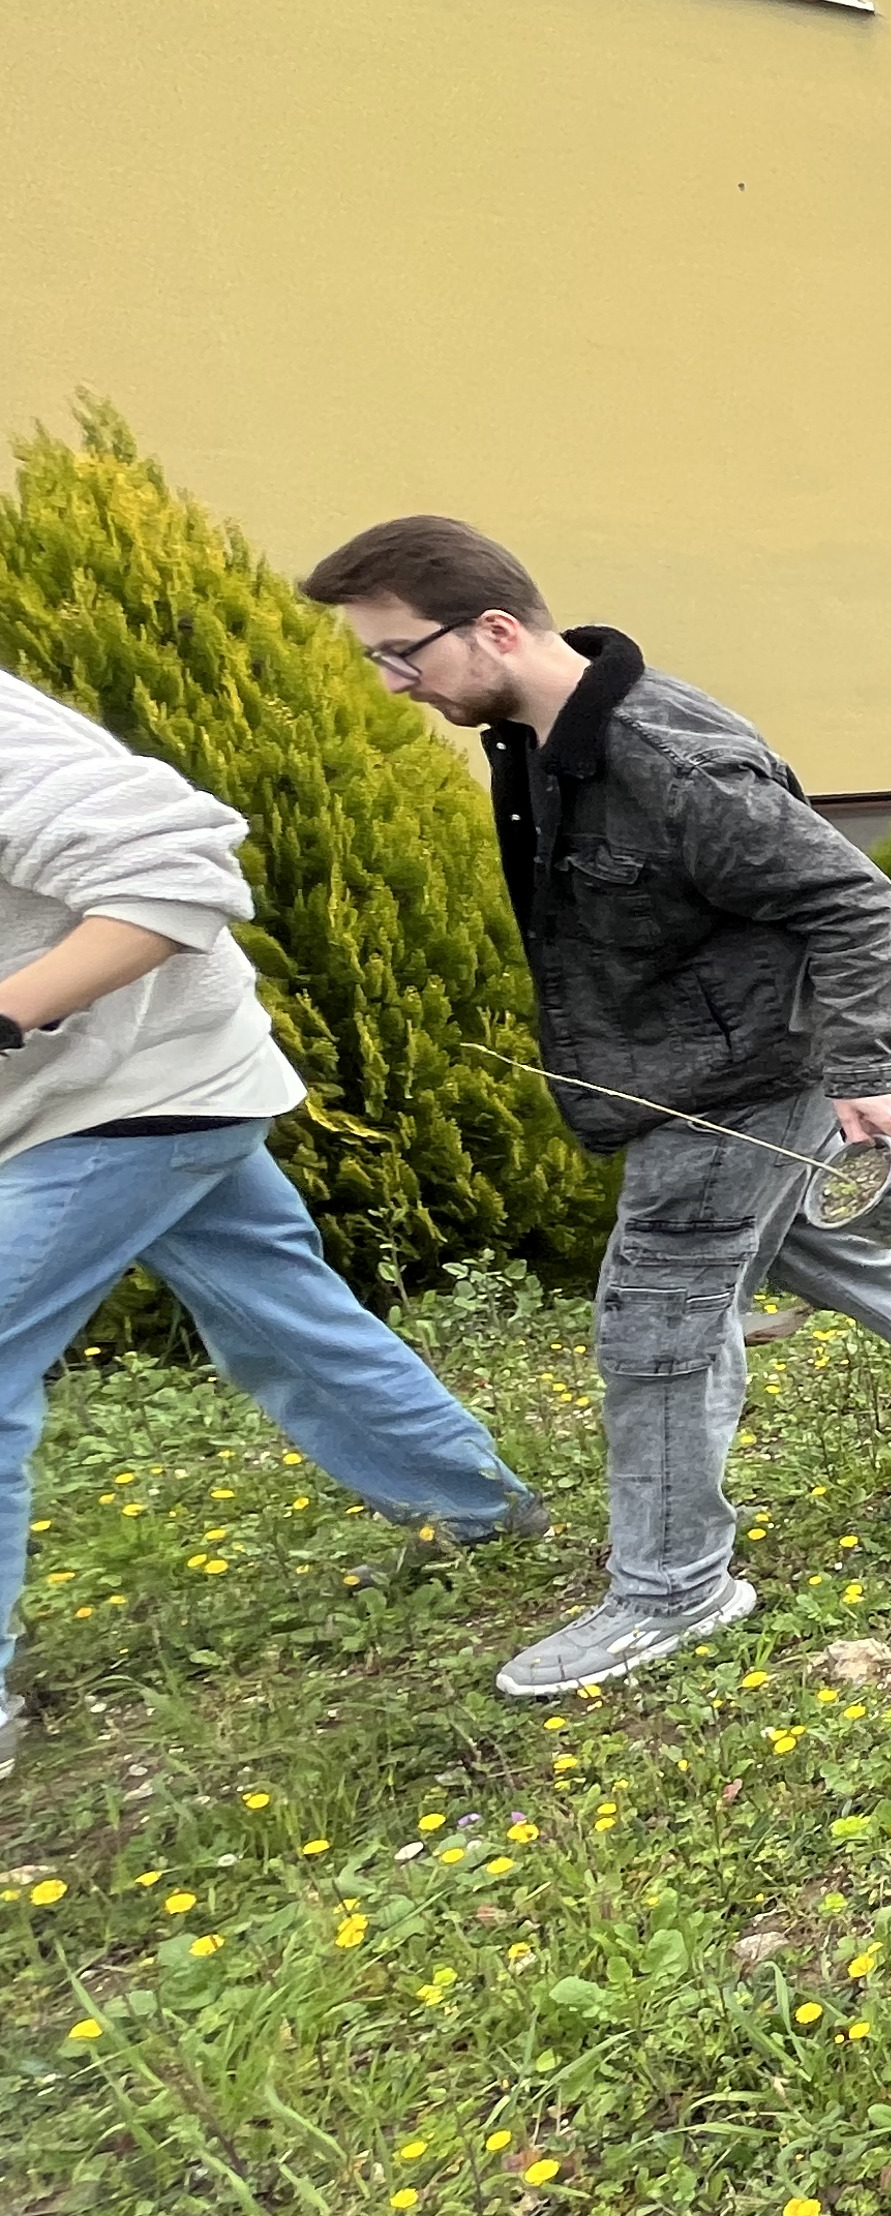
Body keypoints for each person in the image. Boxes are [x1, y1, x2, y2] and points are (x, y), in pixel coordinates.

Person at [306, 519, 891, 1698]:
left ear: (493, 629)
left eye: (400, 653)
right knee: (823, 1253)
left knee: (658, 1330)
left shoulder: (666, 761)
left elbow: (855, 902)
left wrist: (860, 1075)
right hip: (689, 1074)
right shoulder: (542, 740)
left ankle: (672, 1587)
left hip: (732, 1087)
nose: (393, 682)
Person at [0, 672, 543, 1770]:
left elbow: (172, 863)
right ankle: (474, 1510)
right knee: (282, 1317)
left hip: (122, 1095)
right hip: (152, 1087)